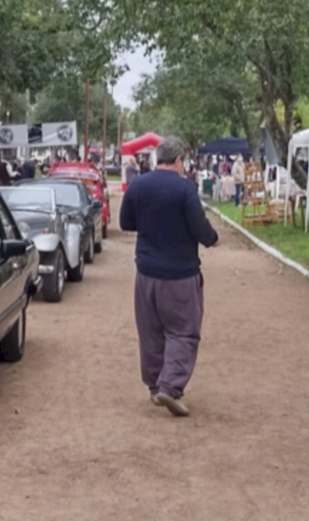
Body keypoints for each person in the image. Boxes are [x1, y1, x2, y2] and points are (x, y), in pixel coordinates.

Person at [119, 136, 219, 417]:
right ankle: (171, 386)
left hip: (146, 272)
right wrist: (213, 239)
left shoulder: (138, 184)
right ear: (177, 161)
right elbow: (200, 227)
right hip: (180, 274)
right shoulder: (185, 188)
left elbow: (126, 222)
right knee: (183, 331)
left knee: (150, 331)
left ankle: (154, 385)